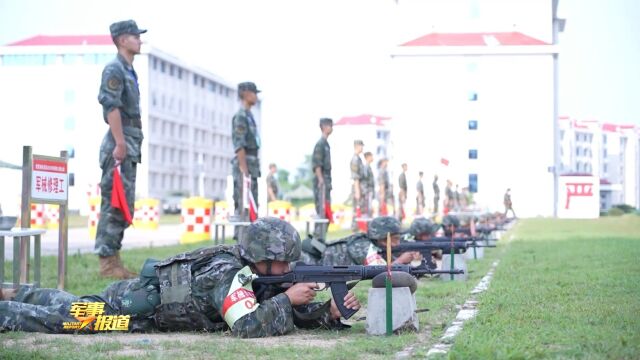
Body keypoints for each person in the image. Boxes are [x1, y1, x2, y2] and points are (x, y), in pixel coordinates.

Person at [0, 218, 361, 337]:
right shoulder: (229, 273)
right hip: (129, 311)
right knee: (64, 319)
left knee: (66, 302)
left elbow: (267, 308)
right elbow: (247, 327)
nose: (287, 270)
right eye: (282, 263)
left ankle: (11, 291)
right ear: (262, 259)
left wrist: (324, 313)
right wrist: (287, 298)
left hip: (137, 302)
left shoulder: (252, 274)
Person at [94, 20, 147, 279]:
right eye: (135, 36)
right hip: (120, 144)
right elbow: (111, 107)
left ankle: (114, 260)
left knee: (123, 203)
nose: (139, 39)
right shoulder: (114, 69)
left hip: (129, 142)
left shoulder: (128, 70)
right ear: (122, 40)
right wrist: (120, 142)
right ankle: (107, 264)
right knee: (114, 204)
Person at [300, 216, 420, 266]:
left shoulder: (374, 245)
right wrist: (401, 260)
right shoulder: (363, 246)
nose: (398, 243)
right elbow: (382, 271)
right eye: (395, 239)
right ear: (382, 238)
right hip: (309, 260)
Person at [231, 82, 261, 238]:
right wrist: (244, 171)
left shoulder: (249, 116)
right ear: (245, 93)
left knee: (251, 208)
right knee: (244, 209)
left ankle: (249, 246)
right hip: (245, 167)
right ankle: (241, 247)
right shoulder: (241, 116)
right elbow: (239, 145)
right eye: (254, 92)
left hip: (252, 166)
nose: (256, 96)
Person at [312, 118, 333, 239]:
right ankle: (317, 240)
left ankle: (321, 239)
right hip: (322, 184)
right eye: (329, 125)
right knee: (322, 213)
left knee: (325, 214)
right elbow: (317, 165)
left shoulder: (326, 144)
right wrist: (320, 180)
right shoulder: (320, 144)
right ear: (323, 127)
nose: (331, 128)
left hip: (326, 184)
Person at [350, 140, 365, 232]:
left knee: (360, 211)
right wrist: (357, 191)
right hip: (357, 188)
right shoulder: (355, 159)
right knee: (356, 211)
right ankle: (354, 231)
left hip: (360, 188)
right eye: (361, 146)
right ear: (356, 146)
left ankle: (358, 230)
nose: (362, 148)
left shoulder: (359, 158)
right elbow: (355, 177)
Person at [362, 152, 375, 218]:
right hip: (367, 191)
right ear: (368, 157)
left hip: (369, 191)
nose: (373, 158)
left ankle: (368, 225)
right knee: (367, 209)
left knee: (369, 209)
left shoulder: (368, 167)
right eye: (371, 156)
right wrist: (365, 191)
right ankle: (366, 225)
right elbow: (364, 180)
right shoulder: (366, 167)